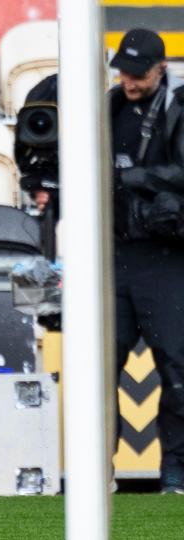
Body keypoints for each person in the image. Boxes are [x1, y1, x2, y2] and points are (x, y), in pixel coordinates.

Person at [108, 28, 184, 494]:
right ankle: (99, 472)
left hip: (167, 256)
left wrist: (133, 177)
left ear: (161, 69)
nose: (128, 81)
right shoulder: (109, 105)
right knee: (99, 368)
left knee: (177, 368)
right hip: (112, 254)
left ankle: (175, 469)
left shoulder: (179, 107)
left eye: (137, 74)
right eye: (123, 72)